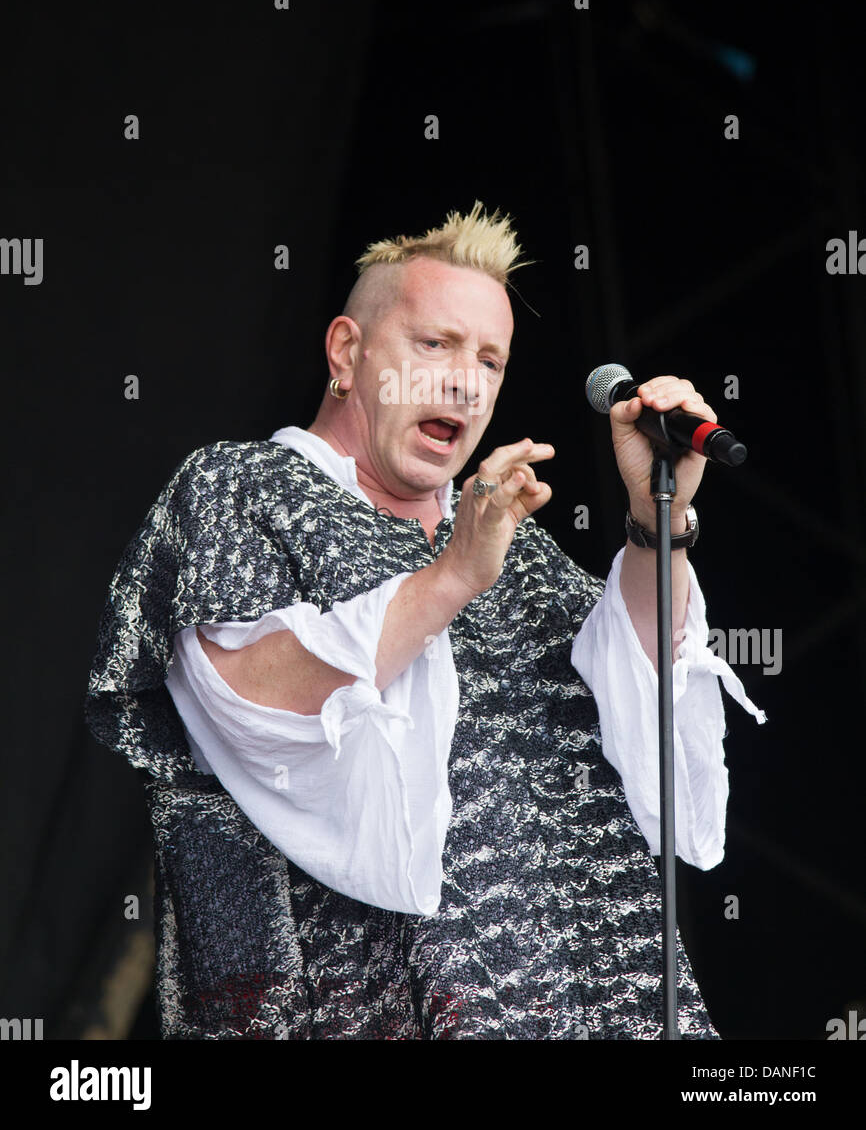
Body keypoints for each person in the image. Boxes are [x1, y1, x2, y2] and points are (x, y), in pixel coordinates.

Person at [86, 201, 764, 1040]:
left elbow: (639, 708)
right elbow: (252, 698)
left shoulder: (509, 540)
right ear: (347, 352)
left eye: (490, 359)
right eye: (434, 345)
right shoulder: (243, 488)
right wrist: (448, 580)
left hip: (607, 997)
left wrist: (654, 525)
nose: (465, 381)